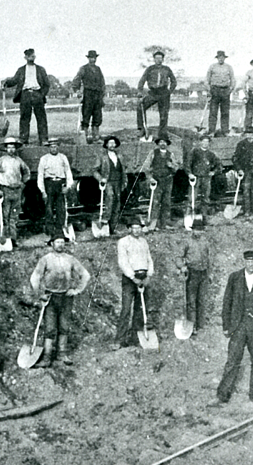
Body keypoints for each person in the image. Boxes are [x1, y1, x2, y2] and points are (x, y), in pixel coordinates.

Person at [210, 250, 253, 406]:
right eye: (248, 262)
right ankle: (222, 395)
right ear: (244, 262)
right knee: (232, 360)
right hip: (238, 326)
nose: (251, 264)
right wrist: (226, 326)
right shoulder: (234, 278)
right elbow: (227, 302)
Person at [30, 235, 90, 367]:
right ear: (52, 244)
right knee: (50, 327)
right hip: (50, 297)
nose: (60, 245)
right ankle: (46, 357)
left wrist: (76, 290)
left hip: (66, 297)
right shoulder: (45, 259)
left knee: (64, 326)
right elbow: (35, 277)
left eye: (62, 242)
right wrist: (40, 294)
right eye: (57, 242)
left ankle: (62, 354)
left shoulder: (70, 259)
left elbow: (85, 275)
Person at [114, 217, 155, 349]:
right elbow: (122, 262)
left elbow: (149, 259)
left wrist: (148, 275)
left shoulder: (143, 241)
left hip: (143, 276)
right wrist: (133, 277)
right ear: (129, 228)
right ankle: (119, 340)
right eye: (134, 228)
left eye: (139, 228)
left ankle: (135, 338)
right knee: (126, 309)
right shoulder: (123, 242)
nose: (137, 230)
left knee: (140, 308)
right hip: (130, 278)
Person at [0, 137, 31, 246]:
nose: (11, 149)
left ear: (16, 149)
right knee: (4, 216)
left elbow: (27, 172)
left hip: (17, 191)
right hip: (5, 190)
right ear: (5, 149)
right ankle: (5, 239)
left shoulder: (19, 160)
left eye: (13, 147)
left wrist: (23, 184)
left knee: (14, 216)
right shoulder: (1, 161)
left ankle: (13, 239)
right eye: (9, 147)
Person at [2, 49, 50, 146]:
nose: (31, 57)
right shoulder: (21, 70)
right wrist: (6, 82)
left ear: (34, 57)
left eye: (32, 55)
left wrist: (41, 95)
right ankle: (23, 139)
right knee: (24, 118)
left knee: (41, 118)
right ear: (25, 58)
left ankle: (43, 139)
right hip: (25, 95)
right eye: (28, 56)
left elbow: (47, 84)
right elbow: (14, 80)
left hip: (37, 94)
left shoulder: (41, 69)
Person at [37, 138, 74, 239]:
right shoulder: (44, 159)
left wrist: (68, 186)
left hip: (60, 184)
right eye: (51, 146)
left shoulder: (63, 158)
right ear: (49, 148)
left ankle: (59, 229)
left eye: (55, 146)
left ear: (58, 147)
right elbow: (40, 175)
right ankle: (50, 230)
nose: (54, 148)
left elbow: (68, 172)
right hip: (49, 184)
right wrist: (42, 191)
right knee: (48, 208)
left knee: (61, 208)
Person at [177, 225, 211, 335]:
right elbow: (178, 257)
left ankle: (201, 325)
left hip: (203, 273)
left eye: (200, 229)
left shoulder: (205, 242)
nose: (198, 232)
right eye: (197, 229)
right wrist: (181, 267)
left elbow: (208, 258)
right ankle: (192, 327)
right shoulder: (187, 242)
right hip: (192, 273)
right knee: (191, 301)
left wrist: (209, 274)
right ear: (192, 230)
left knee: (201, 300)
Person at [136, 50, 177, 138]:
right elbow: (142, 80)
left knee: (163, 114)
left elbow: (174, 81)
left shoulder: (167, 69)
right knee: (140, 107)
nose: (158, 60)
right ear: (154, 59)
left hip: (164, 93)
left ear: (163, 59)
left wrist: (169, 91)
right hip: (153, 93)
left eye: (160, 58)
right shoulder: (150, 69)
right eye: (157, 58)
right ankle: (142, 128)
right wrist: (140, 91)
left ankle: (162, 133)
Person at [93, 135, 127, 231]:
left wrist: (125, 181)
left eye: (113, 143)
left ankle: (113, 227)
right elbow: (95, 170)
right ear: (106, 145)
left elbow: (123, 169)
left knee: (117, 204)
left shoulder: (120, 156)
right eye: (110, 143)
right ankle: (104, 223)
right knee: (110, 201)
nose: (112, 145)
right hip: (108, 182)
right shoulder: (102, 157)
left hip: (118, 182)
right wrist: (101, 179)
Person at [186, 135, 222, 222]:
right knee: (192, 198)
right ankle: (188, 217)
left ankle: (204, 217)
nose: (205, 143)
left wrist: (213, 172)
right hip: (195, 178)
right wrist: (190, 174)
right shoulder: (195, 152)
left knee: (205, 198)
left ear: (209, 143)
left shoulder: (211, 154)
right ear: (200, 142)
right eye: (203, 141)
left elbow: (219, 165)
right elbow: (187, 163)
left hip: (206, 178)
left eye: (207, 142)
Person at [72, 50, 106, 143]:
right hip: (88, 94)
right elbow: (76, 80)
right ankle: (84, 137)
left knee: (97, 116)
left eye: (94, 58)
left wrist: (102, 96)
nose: (93, 59)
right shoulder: (83, 68)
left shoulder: (98, 69)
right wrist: (77, 91)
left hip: (97, 95)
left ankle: (96, 137)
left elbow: (102, 83)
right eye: (91, 58)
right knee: (86, 116)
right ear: (88, 58)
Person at [145, 135, 177, 230]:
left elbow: (176, 167)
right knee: (155, 202)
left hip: (167, 181)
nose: (162, 144)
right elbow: (147, 167)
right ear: (158, 144)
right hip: (157, 180)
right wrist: (150, 178)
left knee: (166, 202)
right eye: (161, 142)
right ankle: (153, 224)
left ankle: (164, 224)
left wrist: (171, 165)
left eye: (164, 142)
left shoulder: (171, 154)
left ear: (167, 144)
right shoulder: (153, 153)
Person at [232, 129, 253, 217]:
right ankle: (246, 210)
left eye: (251, 134)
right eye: (247, 134)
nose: (249, 135)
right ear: (245, 135)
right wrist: (239, 169)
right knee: (246, 191)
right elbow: (235, 158)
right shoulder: (241, 144)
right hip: (245, 171)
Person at [206, 51, 235, 137]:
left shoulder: (229, 67)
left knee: (225, 112)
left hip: (225, 90)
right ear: (217, 58)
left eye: (222, 57)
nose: (221, 59)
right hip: (215, 90)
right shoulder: (212, 67)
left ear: (224, 58)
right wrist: (209, 90)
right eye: (219, 57)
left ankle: (225, 131)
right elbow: (207, 79)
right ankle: (211, 131)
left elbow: (232, 79)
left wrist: (230, 89)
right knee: (213, 112)